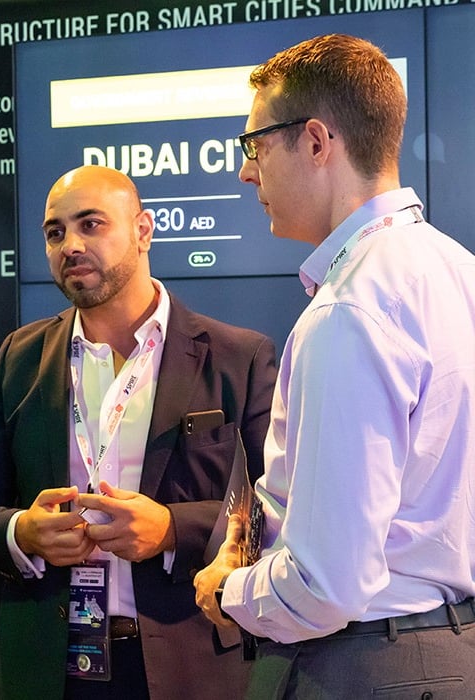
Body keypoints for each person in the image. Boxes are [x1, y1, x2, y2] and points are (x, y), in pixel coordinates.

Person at [194, 33, 475, 698]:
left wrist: (231, 590)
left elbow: (327, 583)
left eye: (255, 145)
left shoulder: (351, 309)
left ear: (317, 142)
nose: (246, 172)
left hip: (361, 666)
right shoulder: (458, 270)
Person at [0, 164, 277, 699]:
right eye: (55, 232)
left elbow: (273, 509)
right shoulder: (20, 358)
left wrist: (171, 529)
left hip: (188, 664)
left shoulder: (239, 357)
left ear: (143, 231)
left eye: (91, 224)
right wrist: (22, 532)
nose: (70, 245)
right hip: (50, 670)